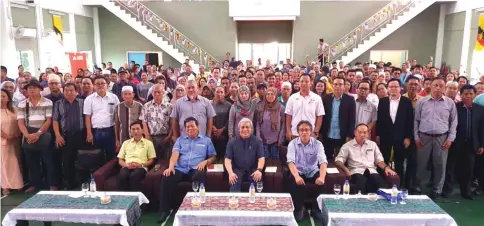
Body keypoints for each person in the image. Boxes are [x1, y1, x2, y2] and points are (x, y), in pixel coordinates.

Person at [158, 117, 217, 223]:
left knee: (199, 176)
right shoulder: (180, 140)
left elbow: (213, 156)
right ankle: (164, 210)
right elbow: (175, 154)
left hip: (196, 168)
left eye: (192, 126)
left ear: (198, 127)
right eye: (187, 127)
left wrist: (205, 162)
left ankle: (198, 208)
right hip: (181, 168)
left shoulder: (206, 140)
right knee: (167, 176)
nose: (190, 128)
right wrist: (171, 167)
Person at [414, 77, 457, 200]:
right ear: (430, 87)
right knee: (421, 164)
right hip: (423, 137)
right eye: (435, 85)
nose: (438, 87)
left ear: (444, 88)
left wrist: (450, 139)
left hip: (442, 138)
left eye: (441, 85)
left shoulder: (450, 103)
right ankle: (417, 188)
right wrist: (416, 137)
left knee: (440, 165)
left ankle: (437, 190)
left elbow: (453, 122)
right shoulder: (422, 102)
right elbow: (416, 121)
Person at [17, 80, 57, 192]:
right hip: (28, 135)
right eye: (29, 88)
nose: (32, 89)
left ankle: (52, 184)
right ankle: (35, 184)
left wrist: (38, 134)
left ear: (40, 89)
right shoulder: (22, 103)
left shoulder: (48, 102)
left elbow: (48, 120)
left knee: (48, 161)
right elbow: (20, 122)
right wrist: (27, 135)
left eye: (34, 87)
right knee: (32, 162)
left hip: (43, 135)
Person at [335, 124, 396, 194]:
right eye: (360, 132)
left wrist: (386, 168)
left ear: (368, 133)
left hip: (372, 172)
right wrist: (345, 169)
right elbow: (338, 160)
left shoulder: (373, 145)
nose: (362, 135)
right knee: (361, 181)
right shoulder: (347, 146)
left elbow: (379, 161)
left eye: (364, 132)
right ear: (355, 133)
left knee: (381, 184)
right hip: (356, 172)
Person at [447, 85, 484, 200]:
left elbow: (482, 129)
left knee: (468, 169)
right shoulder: (454, 107)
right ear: (461, 95)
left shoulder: (480, 109)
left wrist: (482, 144)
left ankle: (465, 191)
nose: (468, 96)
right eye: (465, 94)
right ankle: (446, 190)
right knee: (450, 167)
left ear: (475, 95)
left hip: (472, 144)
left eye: (471, 94)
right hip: (455, 143)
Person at [376, 78, 415, 188]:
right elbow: (379, 120)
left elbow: (410, 121)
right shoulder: (382, 101)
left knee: (399, 162)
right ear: (388, 88)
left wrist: (408, 137)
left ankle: (399, 184)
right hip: (385, 136)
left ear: (400, 88)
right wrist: (378, 135)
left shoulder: (406, 102)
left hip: (401, 137)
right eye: (391, 87)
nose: (393, 89)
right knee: (383, 159)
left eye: (396, 86)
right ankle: (383, 183)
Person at [287, 120, 327, 221]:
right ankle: (299, 209)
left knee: (322, 183)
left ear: (311, 131)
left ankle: (316, 209)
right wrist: (297, 176)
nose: (304, 132)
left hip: (312, 170)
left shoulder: (318, 144)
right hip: (298, 170)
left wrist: (322, 177)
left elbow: (323, 162)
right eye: (301, 130)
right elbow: (290, 162)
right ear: (298, 132)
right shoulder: (292, 143)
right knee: (294, 183)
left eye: (307, 130)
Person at [52, 83, 85, 189]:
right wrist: (57, 135)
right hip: (65, 136)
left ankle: (83, 183)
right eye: (66, 90)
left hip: (81, 135)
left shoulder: (82, 102)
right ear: (63, 91)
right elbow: (55, 120)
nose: (69, 92)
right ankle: (70, 184)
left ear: (76, 91)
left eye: (71, 90)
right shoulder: (58, 103)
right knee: (67, 161)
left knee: (81, 160)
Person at [84, 76, 120, 161]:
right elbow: (87, 117)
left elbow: (117, 117)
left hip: (111, 130)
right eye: (97, 84)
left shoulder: (114, 97)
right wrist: (89, 133)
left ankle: (111, 174)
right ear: (94, 86)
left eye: (102, 83)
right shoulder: (89, 99)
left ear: (107, 85)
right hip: (96, 132)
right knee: (97, 157)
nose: (100, 85)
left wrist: (117, 136)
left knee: (112, 156)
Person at [225, 118, 265, 192]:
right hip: (237, 170)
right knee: (234, 182)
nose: (245, 129)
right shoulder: (232, 142)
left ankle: (255, 203)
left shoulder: (257, 141)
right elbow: (227, 160)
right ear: (238, 129)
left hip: (253, 169)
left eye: (247, 127)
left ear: (251, 129)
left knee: (257, 182)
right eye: (242, 127)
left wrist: (259, 170)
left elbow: (261, 158)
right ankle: (234, 202)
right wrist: (230, 173)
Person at [321, 77, 356, 159]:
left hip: (342, 136)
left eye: (340, 84)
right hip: (328, 134)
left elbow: (352, 119)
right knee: (327, 159)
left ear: (344, 86)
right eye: (336, 84)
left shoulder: (350, 100)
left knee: (341, 160)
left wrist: (350, 135)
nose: (338, 86)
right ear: (332, 86)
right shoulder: (326, 98)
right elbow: (322, 117)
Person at [117, 121, 156, 191]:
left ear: (142, 130)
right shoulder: (126, 143)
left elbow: (151, 160)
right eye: (133, 129)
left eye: (138, 129)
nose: (135, 131)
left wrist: (141, 165)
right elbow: (120, 160)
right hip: (127, 166)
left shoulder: (148, 143)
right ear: (130, 131)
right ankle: (122, 199)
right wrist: (126, 165)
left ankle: (136, 200)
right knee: (122, 175)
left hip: (141, 167)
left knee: (134, 176)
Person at [285, 74, 325, 142]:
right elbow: (288, 115)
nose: (304, 83)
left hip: (310, 134)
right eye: (302, 81)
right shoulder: (292, 98)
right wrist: (288, 131)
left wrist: (316, 132)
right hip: (295, 133)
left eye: (306, 81)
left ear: (311, 83)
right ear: (299, 83)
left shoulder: (317, 98)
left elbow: (320, 116)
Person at [140, 84, 173, 162]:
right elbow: (144, 122)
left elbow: (172, 123)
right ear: (152, 93)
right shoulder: (146, 106)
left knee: (166, 160)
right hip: (152, 137)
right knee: (153, 160)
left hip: (166, 137)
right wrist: (147, 136)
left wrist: (169, 136)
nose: (157, 94)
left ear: (163, 93)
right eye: (155, 92)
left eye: (159, 92)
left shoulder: (169, 106)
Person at [1, 89, 23, 195]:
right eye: (0, 96)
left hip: (16, 140)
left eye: (3, 96)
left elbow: (20, 121)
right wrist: (6, 136)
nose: (1, 98)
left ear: (8, 98)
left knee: (16, 162)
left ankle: (17, 184)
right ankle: (5, 186)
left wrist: (18, 133)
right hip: (3, 141)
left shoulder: (14, 109)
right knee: (4, 164)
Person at [256, 87, 285, 160]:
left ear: (276, 96)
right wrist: (258, 136)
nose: (270, 96)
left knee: (275, 161)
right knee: (265, 160)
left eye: (272, 94)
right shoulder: (261, 107)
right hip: (263, 140)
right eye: (268, 94)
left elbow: (283, 124)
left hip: (276, 140)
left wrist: (280, 138)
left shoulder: (280, 108)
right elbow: (258, 123)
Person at [114, 86, 143, 151]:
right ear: (122, 95)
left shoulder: (139, 106)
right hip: (123, 138)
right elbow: (117, 124)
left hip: (137, 138)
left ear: (133, 95)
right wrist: (117, 139)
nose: (127, 96)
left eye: (129, 94)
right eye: (125, 94)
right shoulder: (118, 107)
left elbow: (142, 123)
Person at [212, 86, 232, 159]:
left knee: (224, 155)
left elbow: (230, 119)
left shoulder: (229, 105)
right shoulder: (211, 104)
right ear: (214, 93)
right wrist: (213, 127)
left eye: (221, 92)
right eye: (217, 92)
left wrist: (222, 129)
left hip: (224, 134)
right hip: (213, 134)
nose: (219, 94)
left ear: (224, 94)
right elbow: (209, 117)